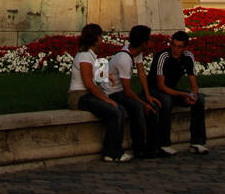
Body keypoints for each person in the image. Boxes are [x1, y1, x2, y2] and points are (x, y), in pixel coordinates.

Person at [67, 22, 131, 162]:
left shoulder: (91, 55)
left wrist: (106, 74)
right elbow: (89, 83)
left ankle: (115, 150)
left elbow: (97, 76)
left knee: (119, 109)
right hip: (79, 96)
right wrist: (105, 99)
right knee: (114, 111)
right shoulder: (84, 56)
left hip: (86, 95)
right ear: (95, 38)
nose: (102, 39)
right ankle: (112, 151)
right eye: (100, 36)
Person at [148, 30, 208, 155]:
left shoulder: (188, 57)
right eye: (174, 45)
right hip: (155, 90)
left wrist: (193, 95)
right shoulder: (163, 56)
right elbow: (160, 86)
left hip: (172, 90)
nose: (175, 49)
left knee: (199, 99)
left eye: (179, 47)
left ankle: (197, 142)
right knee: (166, 101)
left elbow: (193, 83)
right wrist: (181, 94)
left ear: (185, 48)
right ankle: (164, 143)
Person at [106, 24, 161, 159]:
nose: (150, 42)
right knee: (138, 107)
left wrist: (147, 96)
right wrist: (143, 103)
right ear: (144, 43)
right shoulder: (124, 59)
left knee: (151, 105)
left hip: (121, 90)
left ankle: (153, 146)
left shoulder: (136, 51)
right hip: (112, 92)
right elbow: (128, 91)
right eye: (149, 39)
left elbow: (141, 73)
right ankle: (139, 148)